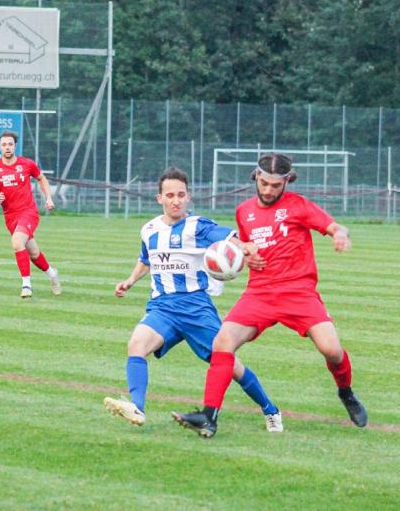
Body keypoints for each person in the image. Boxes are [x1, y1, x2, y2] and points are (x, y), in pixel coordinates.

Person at [172, 153, 367, 437]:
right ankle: (208, 416)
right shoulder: (244, 211)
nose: (269, 190)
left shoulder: (299, 206)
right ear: (256, 177)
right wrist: (244, 258)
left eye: (276, 185)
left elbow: (335, 226)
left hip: (299, 292)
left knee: (332, 350)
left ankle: (346, 392)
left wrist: (340, 235)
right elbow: (245, 248)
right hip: (260, 293)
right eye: (264, 183)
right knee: (222, 342)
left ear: (287, 181)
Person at [103, 167, 283, 432]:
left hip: (196, 309)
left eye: (181, 195)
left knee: (229, 365)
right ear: (159, 198)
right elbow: (146, 259)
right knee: (137, 344)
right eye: (170, 195)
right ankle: (137, 407)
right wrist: (130, 280)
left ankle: (270, 410)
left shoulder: (197, 226)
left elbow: (228, 236)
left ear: (188, 197)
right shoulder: (149, 229)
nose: (176, 200)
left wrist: (244, 247)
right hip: (162, 307)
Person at [0, 131, 61, 298]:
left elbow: (42, 179)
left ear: (15, 146)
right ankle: (52, 274)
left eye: (10, 144)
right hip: (10, 216)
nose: (7, 147)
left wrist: (48, 198)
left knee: (17, 242)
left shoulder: (26, 164)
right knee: (33, 253)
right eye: (4, 144)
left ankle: (26, 285)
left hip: (28, 212)